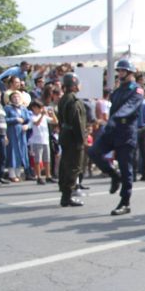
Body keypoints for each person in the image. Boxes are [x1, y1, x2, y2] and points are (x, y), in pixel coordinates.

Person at [88, 59, 144, 216]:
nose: (119, 74)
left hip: (126, 131)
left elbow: (129, 107)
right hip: (113, 129)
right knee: (93, 152)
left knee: (126, 168)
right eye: (118, 71)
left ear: (130, 72)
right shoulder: (117, 91)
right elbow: (113, 109)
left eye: (122, 71)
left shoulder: (137, 90)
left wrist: (115, 118)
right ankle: (114, 175)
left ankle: (125, 202)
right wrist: (110, 122)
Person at [58, 73, 88, 207]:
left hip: (65, 134)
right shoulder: (74, 101)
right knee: (74, 166)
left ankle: (65, 193)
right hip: (73, 137)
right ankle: (67, 196)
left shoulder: (63, 99)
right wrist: (82, 140)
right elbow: (78, 123)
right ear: (75, 85)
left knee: (65, 164)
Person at [27, 100, 57, 184]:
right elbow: (36, 123)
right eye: (38, 108)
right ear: (33, 108)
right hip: (37, 141)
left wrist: (52, 113)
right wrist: (42, 115)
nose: (40, 109)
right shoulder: (32, 117)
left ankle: (48, 176)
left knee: (47, 159)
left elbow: (55, 121)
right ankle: (39, 176)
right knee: (37, 160)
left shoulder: (44, 116)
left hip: (45, 140)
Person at [4, 90, 30, 182]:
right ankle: (12, 174)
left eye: (18, 97)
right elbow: (4, 119)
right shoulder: (7, 108)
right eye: (14, 97)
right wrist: (15, 119)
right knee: (12, 152)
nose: (16, 98)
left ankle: (18, 174)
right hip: (12, 132)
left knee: (21, 151)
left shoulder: (23, 108)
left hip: (22, 133)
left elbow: (29, 120)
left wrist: (27, 125)